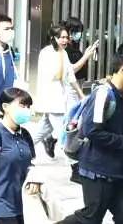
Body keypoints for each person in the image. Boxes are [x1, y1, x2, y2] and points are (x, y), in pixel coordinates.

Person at [59, 47, 123, 224]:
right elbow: (93, 131)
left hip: (117, 169)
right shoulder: (103, 94)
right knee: (91, 217)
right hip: (98, 170)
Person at [0, 87, 39, 224]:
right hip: (1, 209)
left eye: (28, 106)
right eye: (22, 105)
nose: (26, 110)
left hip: (24, 205)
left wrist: (35, 179)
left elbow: (31, 164)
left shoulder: (25, 135)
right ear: (5, 107)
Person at [32, 24, 92, 160]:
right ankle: (72, 161)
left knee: (43, 130)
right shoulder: (46, 53)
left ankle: (24, 150)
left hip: (59, 98)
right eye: (62, 38)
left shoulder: (63, 53)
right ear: (54, 38)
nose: (65, 40)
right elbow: (56, 75)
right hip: (51, 98)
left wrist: (81, 95)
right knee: (63, 133)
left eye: (66, 37)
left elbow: (71, 77)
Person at [0, 14, 18, 105]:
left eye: (11, 28)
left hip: (6, 104)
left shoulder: (10, 51)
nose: (10, 32)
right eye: (6, 29)